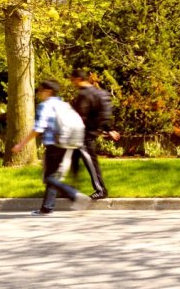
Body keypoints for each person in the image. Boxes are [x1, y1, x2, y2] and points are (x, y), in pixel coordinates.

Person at [12, 79, 91, 215]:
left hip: (54, 144)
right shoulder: (63, 104)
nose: (39, 93)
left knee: (49, 177)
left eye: (41, 90)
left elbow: (39, 128)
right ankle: (47, 208)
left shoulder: (45, 106)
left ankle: (76, 196)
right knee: (53, 176)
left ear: (48, 91)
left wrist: (21, 144)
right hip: (68, 143)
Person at [68, 69, 118, 200]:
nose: (72, 82)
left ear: (78, 79)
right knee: (74, 161)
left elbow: (80, 115)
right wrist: (108, 129)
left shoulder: (84, 95)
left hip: (85, 134)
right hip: (87, 133)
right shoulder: (99, 93)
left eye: (72, 80)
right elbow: (105, 112)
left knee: (90, 162)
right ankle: (70, 189)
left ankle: (101, 190)